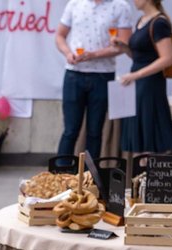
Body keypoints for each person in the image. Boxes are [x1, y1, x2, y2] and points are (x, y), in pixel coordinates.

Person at [55, 0, 132, 160]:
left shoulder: (121, 6)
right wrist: (68, 53)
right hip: (74, 74)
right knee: (70, 130)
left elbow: (124, 45)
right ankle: (60, 176)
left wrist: (94, 55)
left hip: (103, 75)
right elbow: (60, 35)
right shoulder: (75, 4)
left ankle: (90, 177)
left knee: (95, 131)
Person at [117, 0, 172, 153]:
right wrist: (123, 47)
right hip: (137, 80)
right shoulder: (141, 21)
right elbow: (140, 57)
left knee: (148, 126)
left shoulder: (159, 23)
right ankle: (139, 171)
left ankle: (148, 170)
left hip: (149, 83)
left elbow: (167, 58)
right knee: (138, 129)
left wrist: (137, 74)